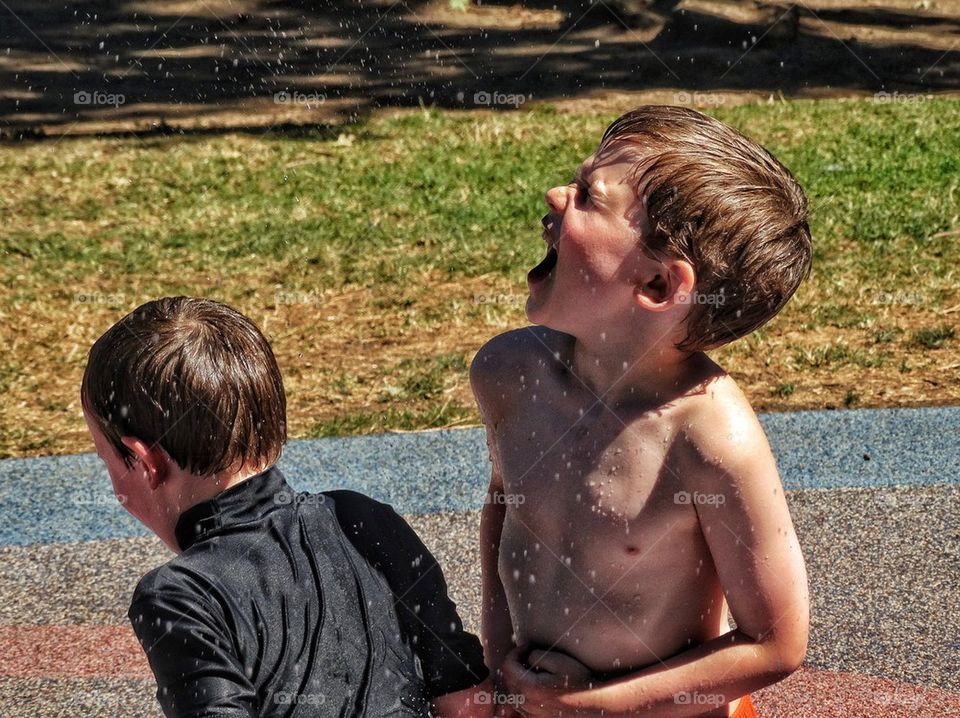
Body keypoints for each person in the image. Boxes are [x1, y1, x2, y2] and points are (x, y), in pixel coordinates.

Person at [471, 106, 811, 717]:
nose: (555, 194)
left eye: (587, 197)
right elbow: (505, 510)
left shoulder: (708, 437)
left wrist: (590, 709)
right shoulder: (507, 376)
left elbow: (776, 642)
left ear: (657, 286)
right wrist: (501, 668)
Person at [81, 296, 491, 717]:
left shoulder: (181, 597)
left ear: (146, 462)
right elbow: (467, 701)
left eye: (106, 461)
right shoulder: (362, 520)